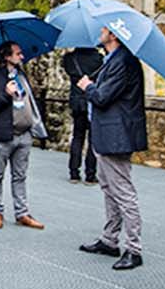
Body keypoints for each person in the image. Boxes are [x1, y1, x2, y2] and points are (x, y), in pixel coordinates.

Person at [76, 27, 147, 270]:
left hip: (117, 135)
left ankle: (134, 249)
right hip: (106, 134)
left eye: (105, 29)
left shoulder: (124, 61)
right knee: (109, 188)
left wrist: (88, 86)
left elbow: (102, 97)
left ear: (114, 35)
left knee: (123, 192)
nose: (101, 32)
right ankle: (109, 240)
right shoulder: (112, 60)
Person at [0, 41, 46, 231]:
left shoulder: (21, 76)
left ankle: (22, 213)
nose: (22, 56)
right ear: (6, 56)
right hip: (1, 136)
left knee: (20, 176)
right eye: (18, 53)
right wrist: (6, 94)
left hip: (24, 134)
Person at [62, 47, 103, 182]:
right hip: (91, 99)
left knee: (77, 136)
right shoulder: (98, 59)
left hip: (76, 101)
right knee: (93, 138)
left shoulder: (70, 58)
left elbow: (66, 68)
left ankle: (74, 172)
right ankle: (90, 174)